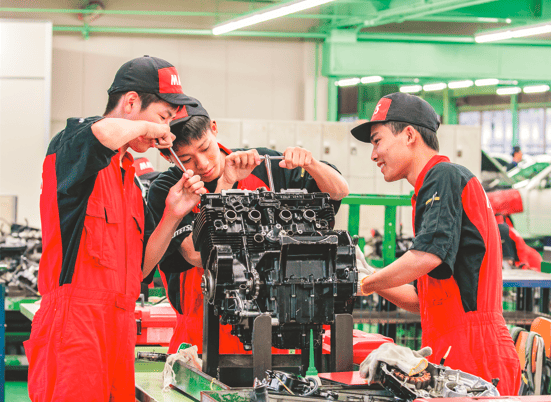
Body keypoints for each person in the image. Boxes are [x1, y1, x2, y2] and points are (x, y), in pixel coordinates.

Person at [27, 55, 207, 402]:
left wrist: (173, 214)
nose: (166, 131)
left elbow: (142, 268)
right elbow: (102, 132)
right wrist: (149, 130)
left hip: (119, 331)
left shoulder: (131, 181)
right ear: (131, 102)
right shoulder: (74, 145)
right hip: (74, 330)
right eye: (163, 117)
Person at [146, 99, 349, 353]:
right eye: (186, 159)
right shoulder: (166, 190)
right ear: (167, 155)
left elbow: (339, 191)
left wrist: (312, 164)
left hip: (271, 333)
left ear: (214, 128)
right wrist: (227, 183)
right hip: (199, 339)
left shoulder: (265, 166)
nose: (202, 164)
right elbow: (197, 254)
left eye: (205, 148)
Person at [350, 92, 520, 396]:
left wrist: (366, 284)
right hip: (453, 345)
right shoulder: (432, 188)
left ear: (409, 135)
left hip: (474, 349)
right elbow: (421, 301)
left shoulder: (443, 176)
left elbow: (427, 255)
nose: (373, 155)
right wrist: (368, 277)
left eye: (377, 141)